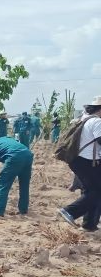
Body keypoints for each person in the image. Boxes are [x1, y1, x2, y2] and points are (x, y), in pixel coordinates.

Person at [58, 96, 101, 232]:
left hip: (78, 160)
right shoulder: (97, 122)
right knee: (96, 191)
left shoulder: (84, 119)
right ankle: (69, 211)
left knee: (91, 191)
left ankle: (89, 224)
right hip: (87, 161)